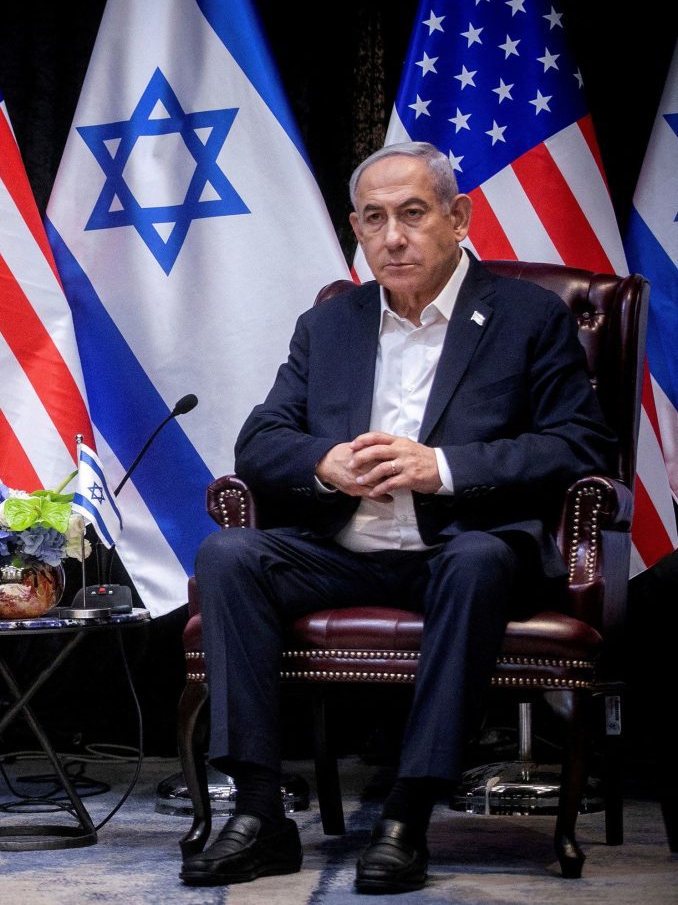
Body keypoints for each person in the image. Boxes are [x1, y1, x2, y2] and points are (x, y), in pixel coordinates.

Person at [180, 142, 615, 894]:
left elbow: (578, 443)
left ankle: (407, 814)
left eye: (413, 214)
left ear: (458, 217)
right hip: (344, 548)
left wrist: (439, 468)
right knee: (228, 556)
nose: (393, 237)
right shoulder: (331, 326)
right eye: (374, 219)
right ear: (356, 227)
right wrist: (326, 463)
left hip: (464, 551)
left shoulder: (526, 316)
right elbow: (261, 441)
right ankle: (257, 814)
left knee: (478, 559)